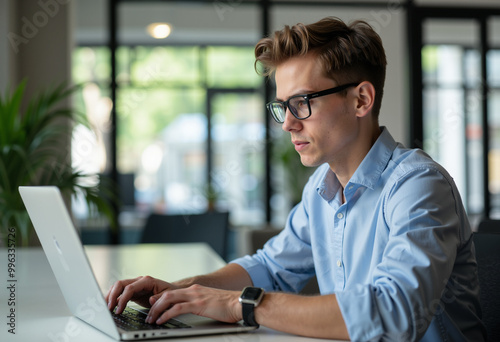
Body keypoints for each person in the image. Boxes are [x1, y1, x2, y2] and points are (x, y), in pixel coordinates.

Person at [106, 17, 486, 341]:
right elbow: (271, 269)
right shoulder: (321, 188)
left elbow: (394, 314)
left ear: (361, 100)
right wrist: (181, 291)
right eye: (282, 106)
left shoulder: (418, 185)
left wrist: (242, 305)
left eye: (302, 103)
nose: (288, 123)